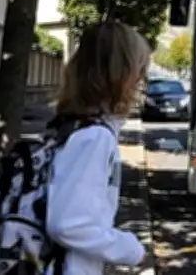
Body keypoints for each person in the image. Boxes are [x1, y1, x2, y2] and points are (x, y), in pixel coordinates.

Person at [46, 21, 152, 274]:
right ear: (121, 75)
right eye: (139, 69)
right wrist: (132, 251)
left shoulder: (68, 126)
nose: (141, 79)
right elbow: (69, 224)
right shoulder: (95, 138)